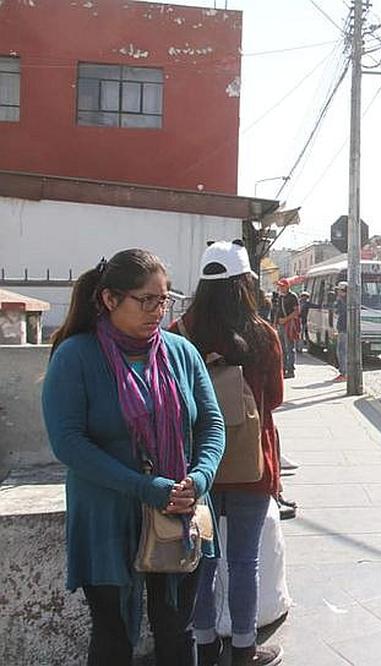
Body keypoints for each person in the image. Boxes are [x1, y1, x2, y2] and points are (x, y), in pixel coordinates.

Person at [42, 249, 225, 666]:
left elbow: (211, 423)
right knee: (112, 638)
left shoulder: (182, 352)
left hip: (179, 514)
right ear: (109, 299)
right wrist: (145, 487)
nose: (158, 311)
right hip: (106, 517)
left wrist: (199, 478)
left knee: (177, 633)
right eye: (146, 300)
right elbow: (68, 443)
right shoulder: (76, 356)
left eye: (164, 300)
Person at [170, 241, 284, 666]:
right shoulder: (262, 334)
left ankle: (204, 644)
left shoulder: (180, 334)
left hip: (198, 468)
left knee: (200, 560)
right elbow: (273, 398)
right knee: (244, 561)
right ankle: (243, 647)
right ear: (244, 284)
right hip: (252, 466)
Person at [270, 279, 299, 378]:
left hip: (288, 324)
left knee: (289, 347)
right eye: (280, 286)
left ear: (287, 286)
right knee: (282, 348)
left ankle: (290, 369)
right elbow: (276, 311)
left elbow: (296, 311)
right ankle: (283, 368)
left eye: (282, 286)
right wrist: (274, 323)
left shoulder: (292, 296)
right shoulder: (279, 297)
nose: (280, 288)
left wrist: (286, 319)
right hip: (280, 325)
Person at [333, 281, 349, 381]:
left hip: (344, 329)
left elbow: (337, 311)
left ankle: (344, 373)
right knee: (343, 351)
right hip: (343, 328)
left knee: (341, 351)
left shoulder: (342, 301)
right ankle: (344, 372)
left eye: (339, 290)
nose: (337, 292)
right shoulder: (348, 300)